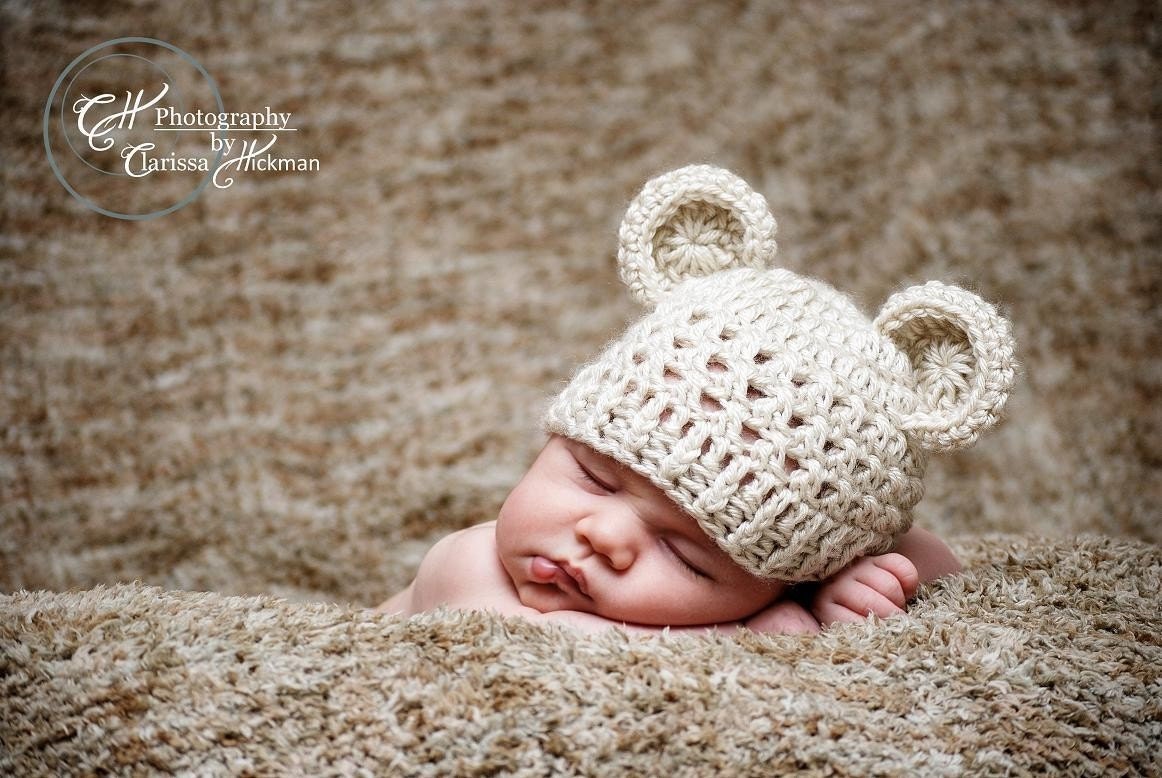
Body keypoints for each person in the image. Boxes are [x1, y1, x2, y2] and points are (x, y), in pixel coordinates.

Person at [377, 165, 1016, 636]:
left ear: (784, 579)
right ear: (556, 442)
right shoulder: (464, 568)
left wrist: (852, 581)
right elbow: (547, 653)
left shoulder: (783, 583)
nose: (603, 536)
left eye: (686, 556)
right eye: (594, 479)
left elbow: (936, 569)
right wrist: (762, 635)